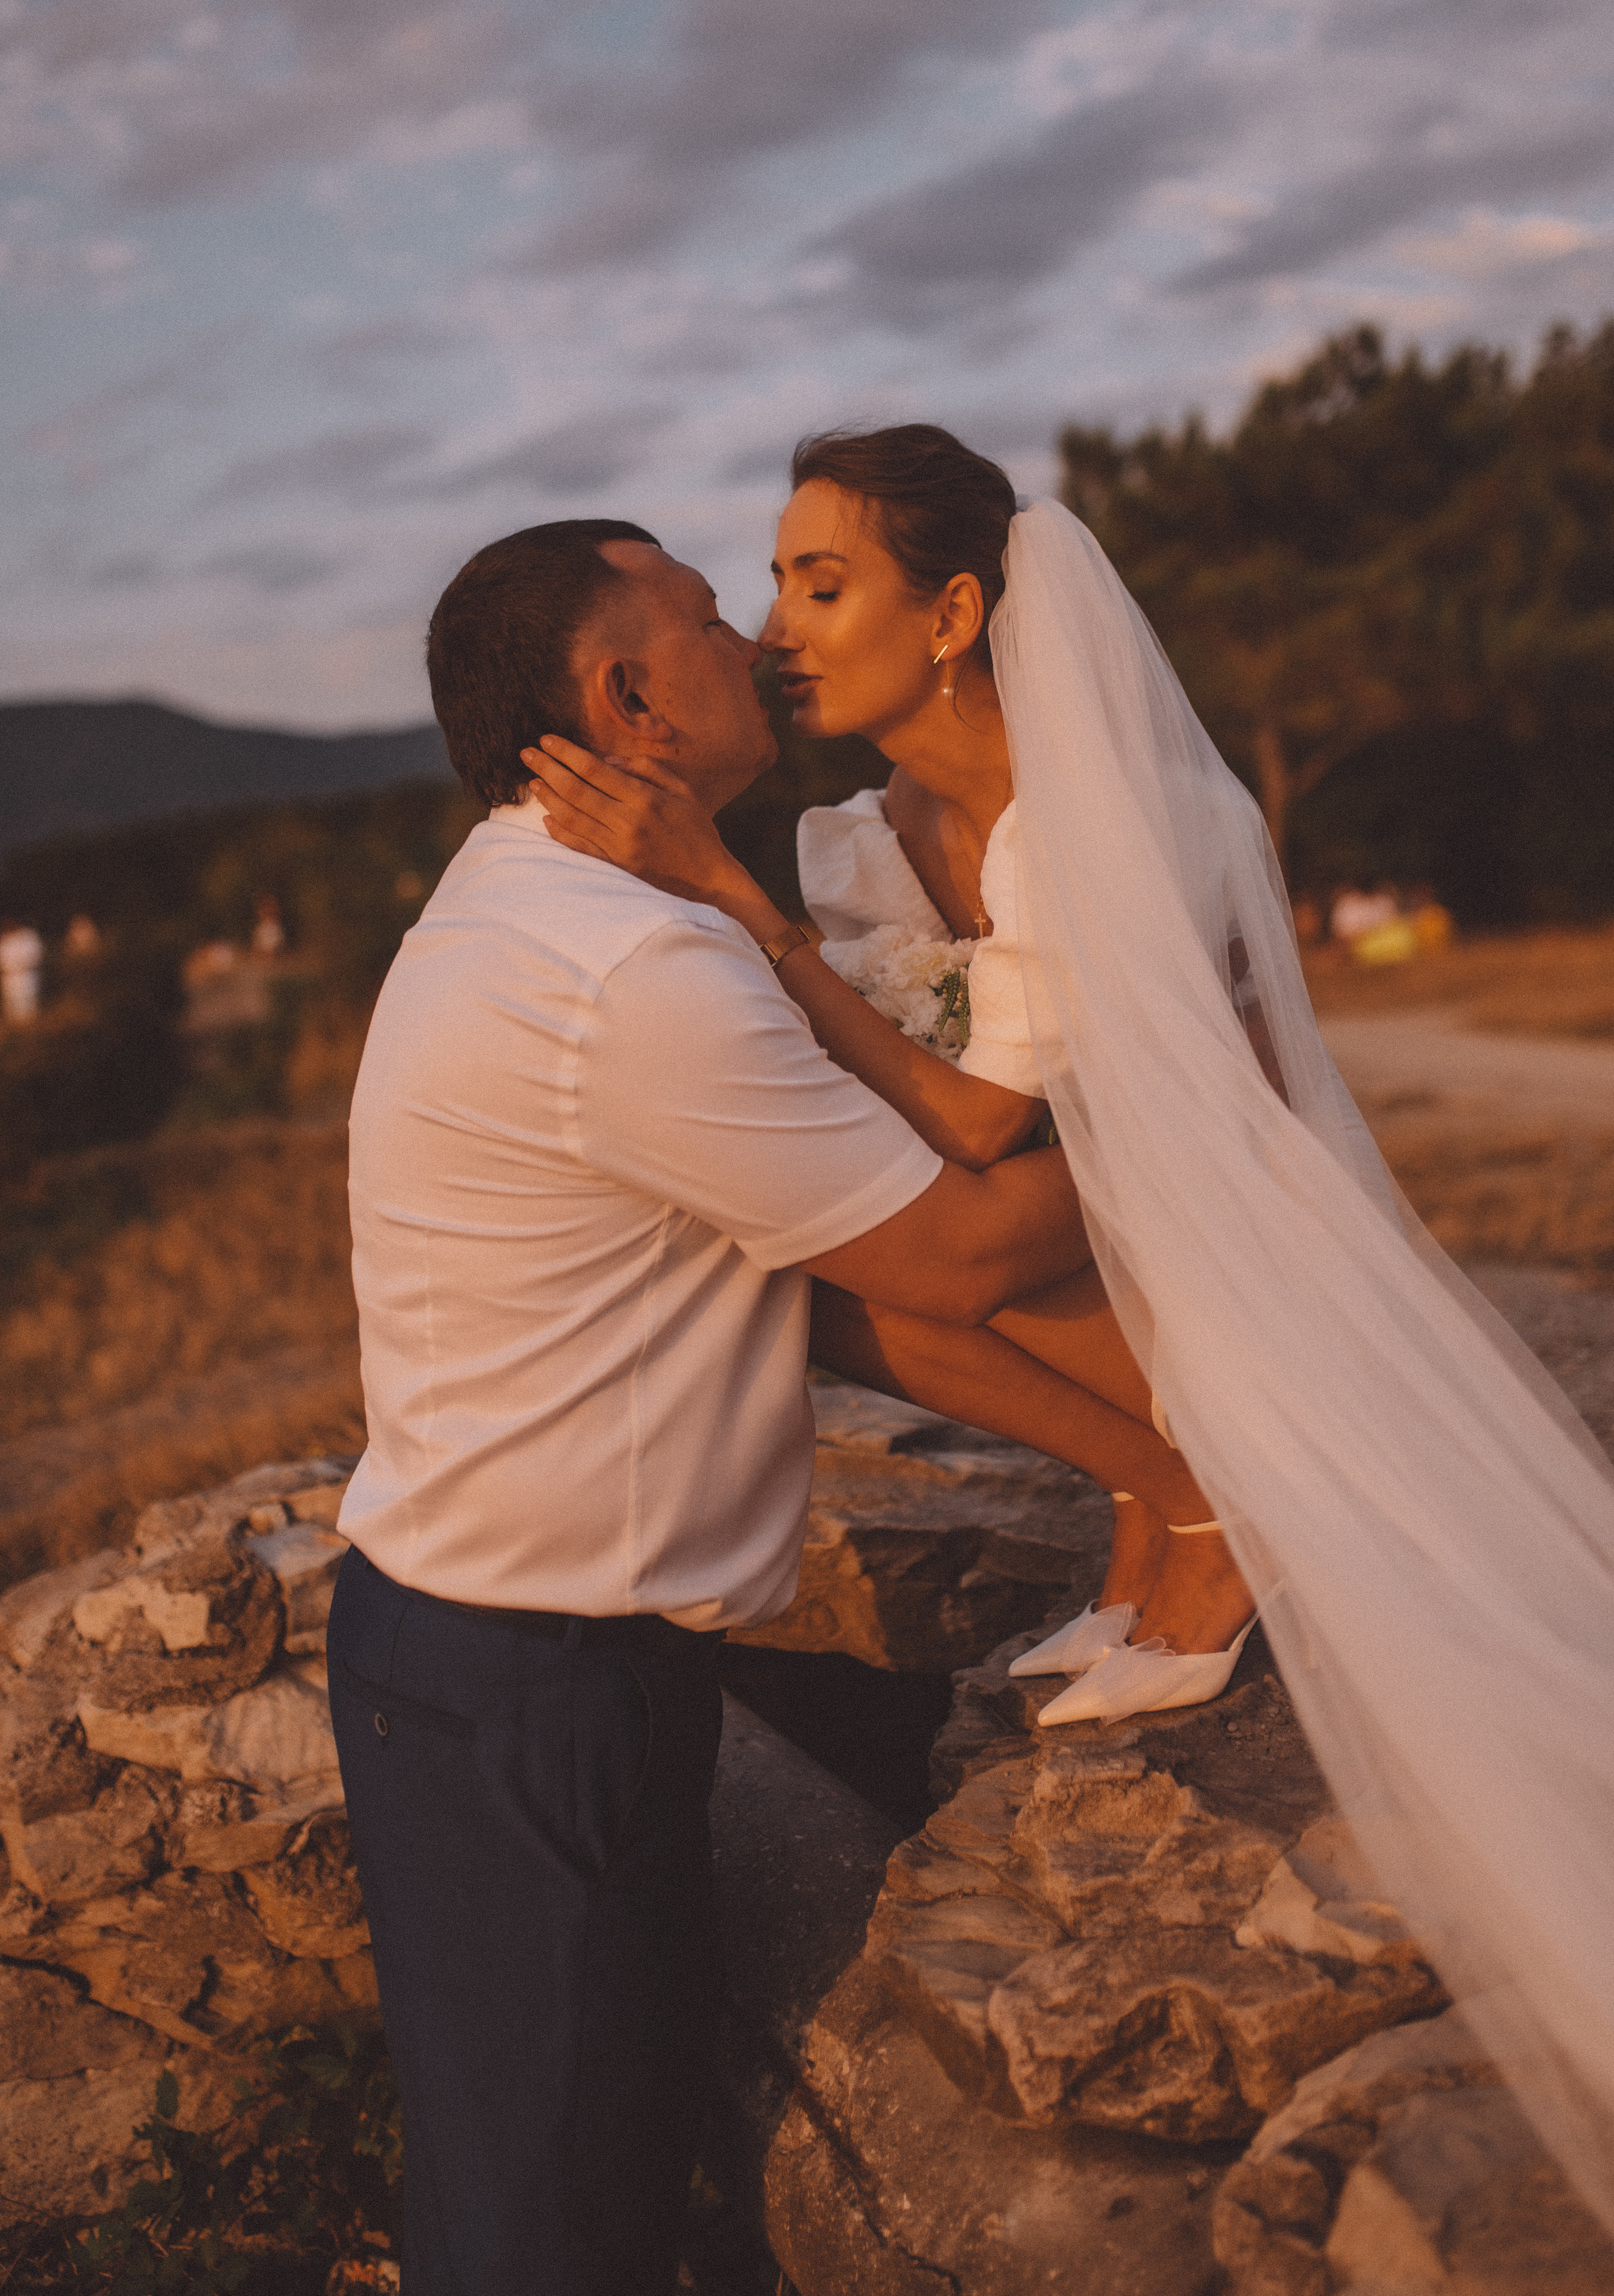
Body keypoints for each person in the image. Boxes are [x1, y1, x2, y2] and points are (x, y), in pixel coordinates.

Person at [525, 429, 1614, 2288]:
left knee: (889, 1250)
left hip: (1231, 1238)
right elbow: (902, 1112)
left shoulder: (1103, 814)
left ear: (951, 615)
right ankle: (1161, 1495)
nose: (782, 628)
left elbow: (981, 1120)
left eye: (823, 583)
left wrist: (735, 908)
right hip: (1093, 1219)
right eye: (776, 583)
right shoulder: (874, 834)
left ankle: (1210, 1501)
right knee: (809, 1267)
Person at [328, 517, 1105, 2296]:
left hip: (476, 1652)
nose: (752, 635)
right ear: (629, 701)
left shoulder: (545, 905)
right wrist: (1190, 1088)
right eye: (701, 617)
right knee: (549, 2234)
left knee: (534, 2187)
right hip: (535, 1689)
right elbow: (960, 1253)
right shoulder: (625, 971)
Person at [0, 920, 43, 1024]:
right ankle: (15, 1028)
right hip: (10, 978)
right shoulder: (4, 939)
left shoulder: (28, 936)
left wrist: (22, 965)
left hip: (26, 977)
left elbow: (36, 956)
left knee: (28, 1006)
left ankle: (30, 1027)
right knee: (12, 1006)